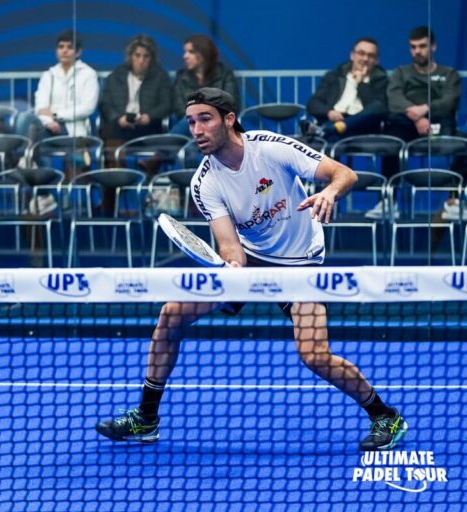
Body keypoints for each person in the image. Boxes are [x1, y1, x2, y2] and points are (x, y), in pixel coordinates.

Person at [95, 87, 408, 452]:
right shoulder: (205, 182)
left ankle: (385, 415)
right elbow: (230, 247)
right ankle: (146, 418)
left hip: (300, 262)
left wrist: (328, 194)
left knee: (314, 355)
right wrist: (232, 268)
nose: (196, 129)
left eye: (205, 119)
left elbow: (345, 174)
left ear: (229, 119)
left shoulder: (272, 148)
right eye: (192, 121)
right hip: (253, 258)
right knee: (171, 314)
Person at [99, 35, 172, 167]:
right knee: (110, 133)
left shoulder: (160, 77)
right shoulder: (116, 76)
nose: (141, 60)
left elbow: (167, 104)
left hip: (147, 127)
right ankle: (116, 179)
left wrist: (150, 117)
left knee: (159, 135)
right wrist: (119, 119)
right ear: (130, 56)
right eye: (137, 55)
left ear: (152, 58)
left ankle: (146, 174)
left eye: (146, 56)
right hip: (120, 126)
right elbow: (105, 105)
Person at [15, 29, 100, 142]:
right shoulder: (48, 75)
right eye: (61, 47)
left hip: (73, 129)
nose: (64, 51)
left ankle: (25, 157)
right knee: (25, 119)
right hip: (48, 125)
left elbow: (87, 108)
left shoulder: (89, 74)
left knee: (34, 135)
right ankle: (25, 157)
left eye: (69, 47)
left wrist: (56, 115)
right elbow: (41, 107)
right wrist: (49, 121)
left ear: (78, 52)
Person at [304, 37, 389, 141]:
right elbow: (313, 103)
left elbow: (377, 109)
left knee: (378, 107)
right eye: (361, 53)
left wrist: (361, 84)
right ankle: (332, 129)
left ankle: (327, 130)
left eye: (370, 56)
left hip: (363, 126)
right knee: (332, 137)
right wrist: (329, 112)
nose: (365, 59)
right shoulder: (334, 76)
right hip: (335, 119)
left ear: (376, 61)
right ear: (352, 55)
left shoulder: (382, 80)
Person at [386, 26, 462, 141]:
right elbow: (394, 98)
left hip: (438, 119)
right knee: (392, 139)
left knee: (455, 143)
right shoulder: (400, 72)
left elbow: (449, 101)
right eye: (413, 47)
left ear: (433, 46)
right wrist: (417, 118)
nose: (417, 51)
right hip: (406, 121)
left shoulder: (449, 74)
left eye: (422, 46)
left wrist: (426, 108)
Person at [169, 35, 239, 137]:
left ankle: (164, 148)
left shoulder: (225, 75)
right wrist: (199, 115)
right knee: (191, 119)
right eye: (185, 52)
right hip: (189, 123)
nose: (185, 56)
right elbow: (178, 107)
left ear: (203, 54)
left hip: (217, 122)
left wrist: (206, 115)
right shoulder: (181, 77)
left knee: (198, 118)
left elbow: (231, 103)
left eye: (191, 52)